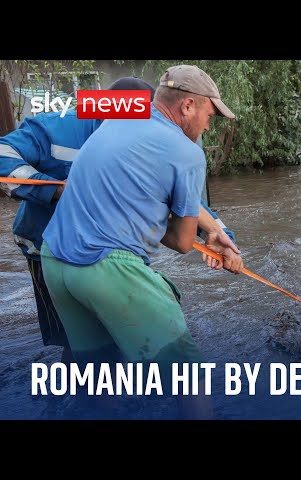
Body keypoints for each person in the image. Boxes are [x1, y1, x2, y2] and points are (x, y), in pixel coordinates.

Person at [40, 65, 243, 420]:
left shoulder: (117, 116)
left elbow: (134, 183)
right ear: (188, 107)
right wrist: (201, 235)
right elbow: (181, 242)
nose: (210, 125)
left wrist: (212, 229)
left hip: (54, 261)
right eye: (210, 115)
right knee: (190, 377)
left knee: (101, 378)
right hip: (106, 267)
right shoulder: (189, 153)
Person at [0, 76, 158, 364]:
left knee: (118, 335)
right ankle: (79, 398)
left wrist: (216, 231)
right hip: (46, 248)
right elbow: (2, 154)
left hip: (112, 251)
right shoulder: (56, 126)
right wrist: (55, 189)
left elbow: (176, 192)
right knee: (74, 340)